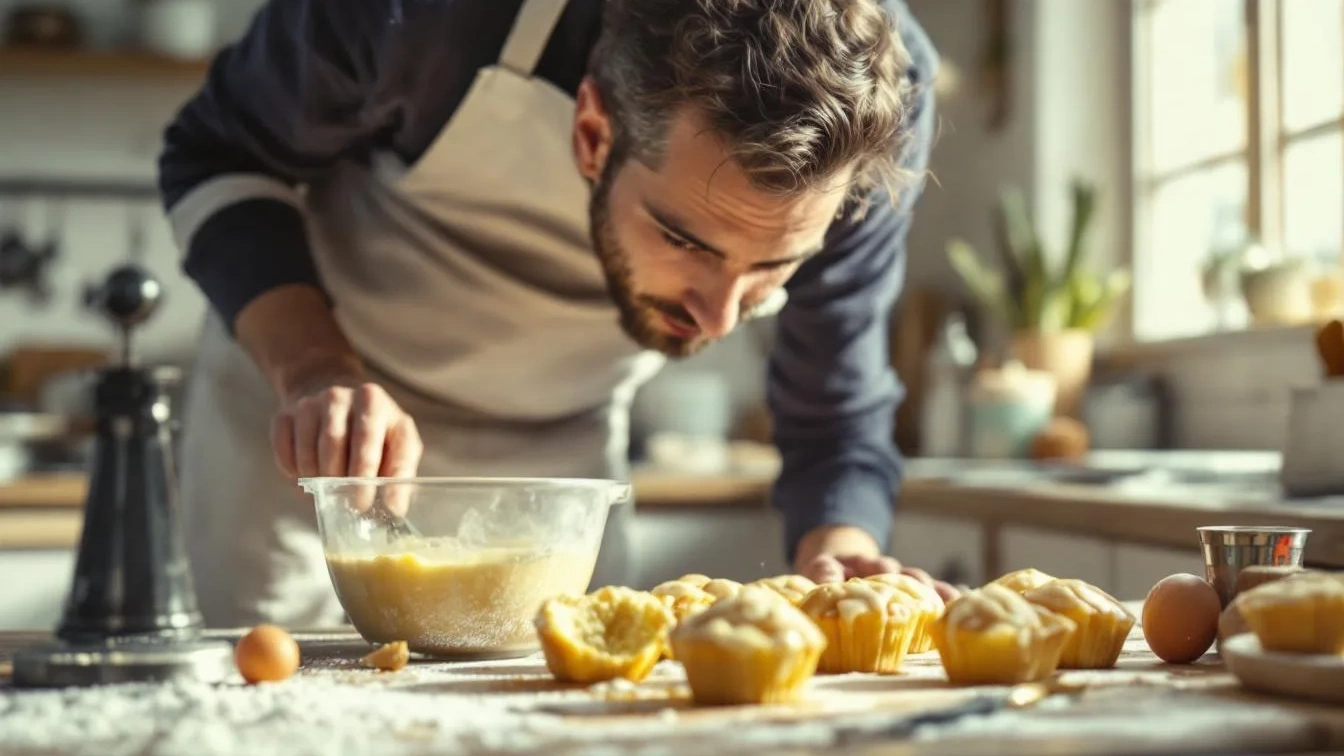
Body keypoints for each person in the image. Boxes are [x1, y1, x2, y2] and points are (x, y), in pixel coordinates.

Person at [157, 0, 957, 629]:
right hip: (313, 439)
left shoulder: (881, 104)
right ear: (592, 131)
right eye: (685, 239)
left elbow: (835, 406)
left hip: (562, 466)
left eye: (773, 266)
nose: (718, 320)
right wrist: (313, 368)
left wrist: (842, 554)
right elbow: (218, 157)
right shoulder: (424, 17)